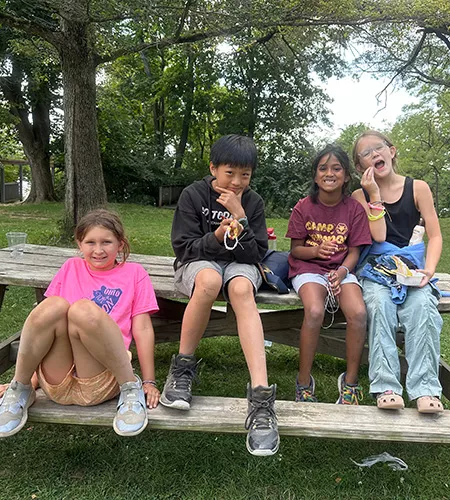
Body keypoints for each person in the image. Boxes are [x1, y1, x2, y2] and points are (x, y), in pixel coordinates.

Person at [161, 134, 279, 456]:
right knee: (210, 280)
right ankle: (182, 369)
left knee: (241, 289)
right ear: (213, 167)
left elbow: (256, 254)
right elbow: (184, 247)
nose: (237, 181)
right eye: (230, 173)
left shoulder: (253, 203)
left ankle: (260, 397)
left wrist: (241, 218)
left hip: (240, 266)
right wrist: (215, 236)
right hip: (199, 264)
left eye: (245, 175)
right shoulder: (193, 195)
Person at [0, 209, 160, 438]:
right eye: (90, 242)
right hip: (58, 381)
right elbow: (44, 329)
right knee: (52, 306)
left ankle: (130, 388)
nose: (98, 250)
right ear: (79, 243)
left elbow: (143, 329)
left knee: (81, 310)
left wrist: (149, 381)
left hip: (103, 377)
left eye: (107, 242)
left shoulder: (135, 274)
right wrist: (30, 381)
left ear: (121, 244)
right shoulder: (70, 268)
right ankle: (19, 388)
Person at [352, 130, 444, 413]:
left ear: (391, 151)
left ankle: (426, 388)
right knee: (379, 307)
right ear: (359, 167)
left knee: (424, 308)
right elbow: (377, 238)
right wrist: (374, 195)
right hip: (376, 269)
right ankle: (386, 386)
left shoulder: (418, 188)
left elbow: (436, 235)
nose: (374, 154)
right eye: (365, 154)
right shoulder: (359, 196)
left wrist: (429, 270)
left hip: (412, 269)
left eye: (378, 148)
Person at [286, 145, 372, 405]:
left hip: (343, 270)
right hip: (309, 269)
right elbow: (296, 251)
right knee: (314, 311)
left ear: (346, 176)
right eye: (323, 168)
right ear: (315, 176)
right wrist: (317, 250)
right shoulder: (303, 207)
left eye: (337, 168)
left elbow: (355, 252)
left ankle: (350, 384)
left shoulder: (354, 210)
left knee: (358, 313)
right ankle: (303, 384)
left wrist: (343, 271)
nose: (329, 173)